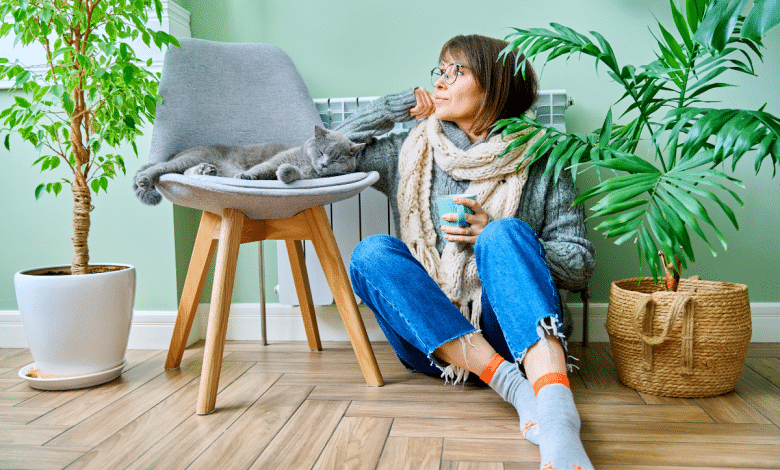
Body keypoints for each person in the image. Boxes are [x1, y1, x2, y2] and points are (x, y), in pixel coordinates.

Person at [337, 34, 596, 470]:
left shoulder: (545, 155)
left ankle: (554, 412)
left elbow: (580, 264)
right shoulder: (414, 147)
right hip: (431, 341)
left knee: (504, 234)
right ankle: (515, 390)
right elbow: (329, 155)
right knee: (370, 253)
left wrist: (499, 237)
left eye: (458, 71)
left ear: (495, 84)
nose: (441, 81)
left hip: (517, 336)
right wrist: (393, 107)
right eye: (440, 70)